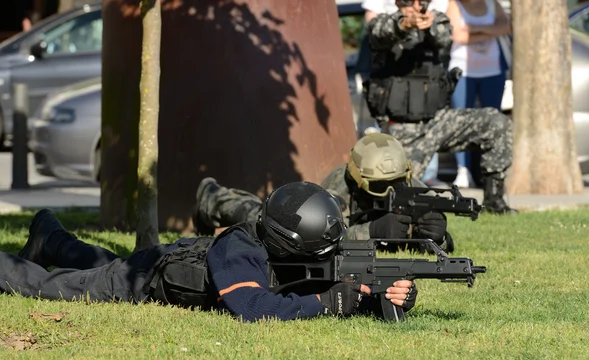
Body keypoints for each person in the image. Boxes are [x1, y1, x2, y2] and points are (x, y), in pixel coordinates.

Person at [0, 183, 416, 322]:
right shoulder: (238, 250)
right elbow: (251, 306)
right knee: (53, 286)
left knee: (99, 260)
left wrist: (383, 295)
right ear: (287, 241)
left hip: (159, 259)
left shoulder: (285, 248)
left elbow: (331, 279)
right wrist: (324, 304)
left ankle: (48, 235)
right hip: (145, 280)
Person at [363, 0, 516, 214]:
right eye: (411, 2)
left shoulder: (439, 20)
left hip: (439, 121)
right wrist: (405, 24)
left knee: (496, 123)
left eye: (421, 2)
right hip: (402, 130)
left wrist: (428, 24)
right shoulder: (384, 23)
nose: (417, 6)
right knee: (399, 197)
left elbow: (444, 36)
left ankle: (495, 202)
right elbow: (379, 32)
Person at [194, 132, 453, 252]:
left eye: (396, 182)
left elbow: (436, 242)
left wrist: (437, 237)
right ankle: (213, 200)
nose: (389, 191)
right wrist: (371, 232)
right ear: (358, 179)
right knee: (266, 221)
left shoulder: (407, 185)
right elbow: (319, 242)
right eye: (378, 186)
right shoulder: (339, 187)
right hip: (302, 219)